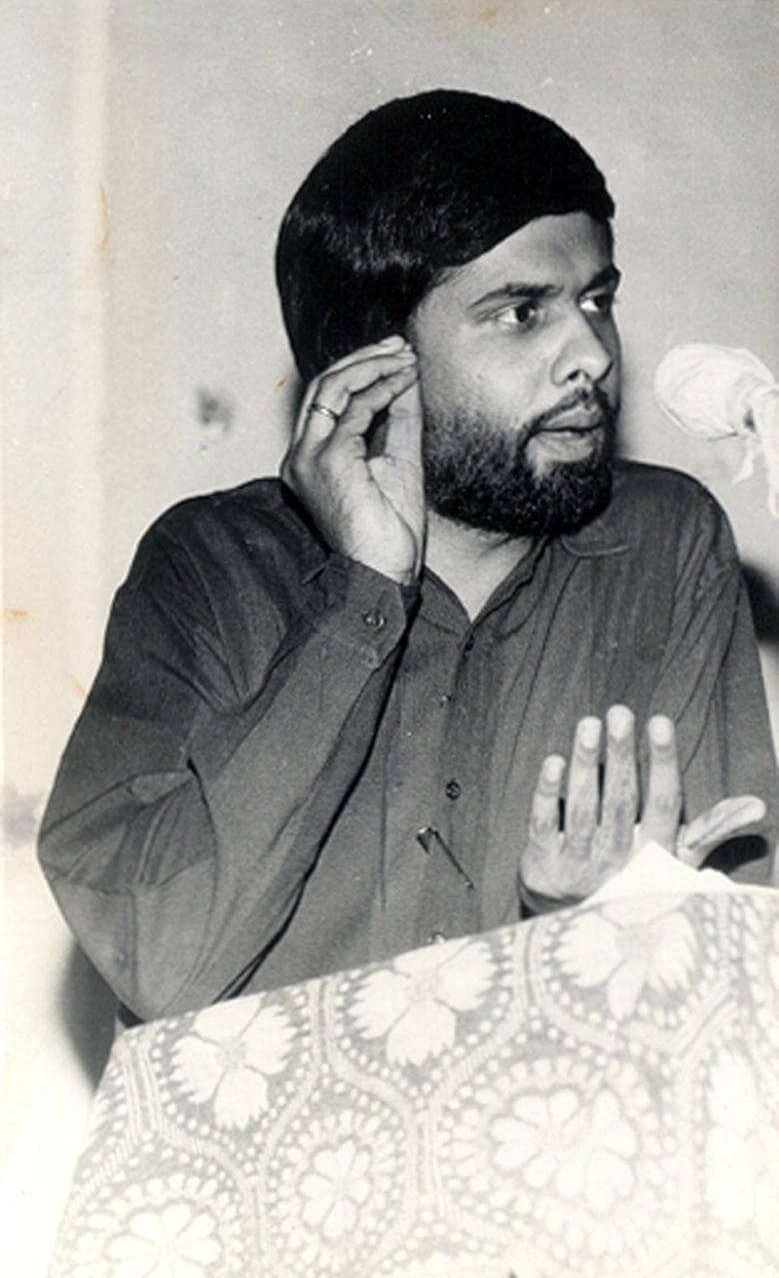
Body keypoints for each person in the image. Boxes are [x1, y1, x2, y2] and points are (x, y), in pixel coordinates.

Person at [39, 90, 777, 1022]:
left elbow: (735, 974)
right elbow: (156, 960)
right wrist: (363, 602)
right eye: (521, 313)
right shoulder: (211, 568)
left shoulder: (665, 547)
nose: (588, 351)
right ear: (374, 362)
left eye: (597, 300)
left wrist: (575, 924)